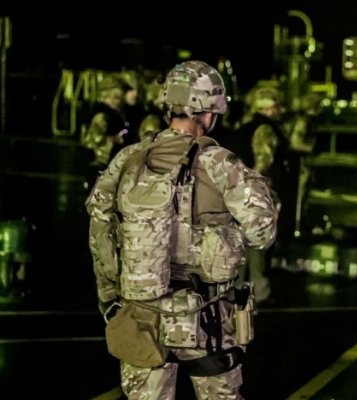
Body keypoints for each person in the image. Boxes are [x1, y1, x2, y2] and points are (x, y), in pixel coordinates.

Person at [86, 60, 277, 399]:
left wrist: (110, 299)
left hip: (141, 314)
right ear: (210, 112)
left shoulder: (128, 159)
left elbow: (100, 229)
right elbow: (262, 233)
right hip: (207, 318)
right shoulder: (220, 163)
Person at [223, 86, 294, 305]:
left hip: (237, 193)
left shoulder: (242, 129)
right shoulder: (266, 130)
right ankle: (259, 292)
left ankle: (237, 291)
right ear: (270, 108)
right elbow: (265, 164)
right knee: (259, 247)